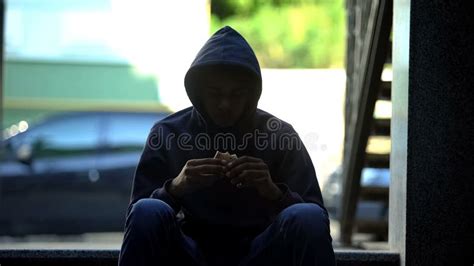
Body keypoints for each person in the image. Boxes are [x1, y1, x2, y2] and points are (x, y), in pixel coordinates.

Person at [118, 26, 335, 266]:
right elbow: (135, 217)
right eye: (214, 93)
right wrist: (176, 188)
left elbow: (316, 216)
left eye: (237, 94)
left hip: (263, 252)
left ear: (251, 94)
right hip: (188, 252)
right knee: (147, 210)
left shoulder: (279, 135)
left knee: (308, 215)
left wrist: (273, 191)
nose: (224, 104)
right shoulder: (167, 133)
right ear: (199, 92)